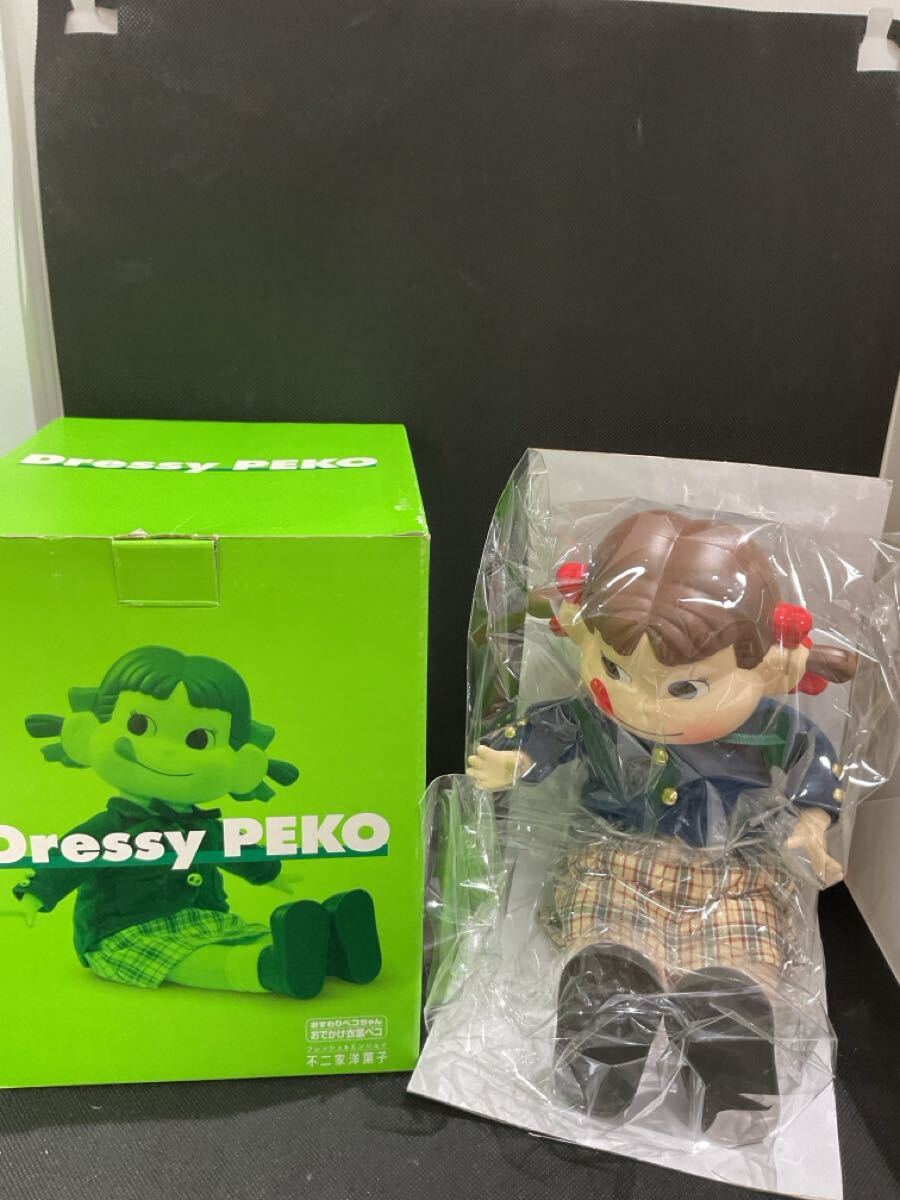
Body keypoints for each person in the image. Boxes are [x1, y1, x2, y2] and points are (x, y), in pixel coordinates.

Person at [468, 509, 853, 1142]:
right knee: (604, 930)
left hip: (731, 869)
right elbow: (552, 727)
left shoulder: (764, 724)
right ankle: (606, 1028)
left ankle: (731, 1043)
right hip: (615, 855)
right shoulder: (596, 716)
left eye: (685, 689)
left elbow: (814, 752)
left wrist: (813, 820)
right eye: (615, 670)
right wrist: (518, 760)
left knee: (741, 947)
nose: (641, 704)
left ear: (768, 667)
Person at [17, 645, 381, 999]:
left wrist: (268, 871)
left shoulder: (203, 827)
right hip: (122, 930)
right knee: (181, 959)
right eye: (139, 725)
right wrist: (37, 893)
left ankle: (335, 950)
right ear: (87, 733)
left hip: (201, 916)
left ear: (241, 764)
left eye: (198, 739)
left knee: (243, 933)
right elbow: (70, 855)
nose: (168, 751)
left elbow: (234, 849)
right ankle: (266, 969)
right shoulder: (110, 827)